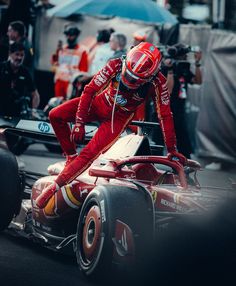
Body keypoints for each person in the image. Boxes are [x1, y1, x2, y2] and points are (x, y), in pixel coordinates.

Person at [35, 42, 187, 209]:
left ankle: (53, 188)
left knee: (88, 153)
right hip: (100, 103)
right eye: (127, 74)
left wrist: (172, 149)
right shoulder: (115, 64)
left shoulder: (158, 82)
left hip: (117, 120)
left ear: (149, 77)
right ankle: (71, 158)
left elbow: (165, 115)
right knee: (55, 114)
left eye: (134, 79)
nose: (128, 80)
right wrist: (79, 122)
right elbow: (89, 90)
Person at [162, 43, 202, 159]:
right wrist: (170, 70)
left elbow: (197, 81)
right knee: (161, 138)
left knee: (182, 137)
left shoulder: (183, 67)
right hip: (166, 109)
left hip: (179, 108)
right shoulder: (166, 67)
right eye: (184, 56)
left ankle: (185, 160)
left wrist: (197, 63)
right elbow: (168, 90)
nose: (185, 58)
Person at [0, 41, 40, 117]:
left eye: (22, 55)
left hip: (17, 113)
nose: (19, 58)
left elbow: (35, 95)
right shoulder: (1, 68)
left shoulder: (25, 72)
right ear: (10, 54)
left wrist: (33, 110)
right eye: (17, 54)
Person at [51, 25, 89, 99]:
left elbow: (83, 70)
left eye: (71, 35)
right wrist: (57, 51)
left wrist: (77, 83)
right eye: (67, 35)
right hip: (59, 81)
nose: (69, 37)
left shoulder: (82, 50)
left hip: (71, 83)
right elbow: (54, 63)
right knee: (57, 104)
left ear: (76, 36)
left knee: (68, 105)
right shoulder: (62, 48)